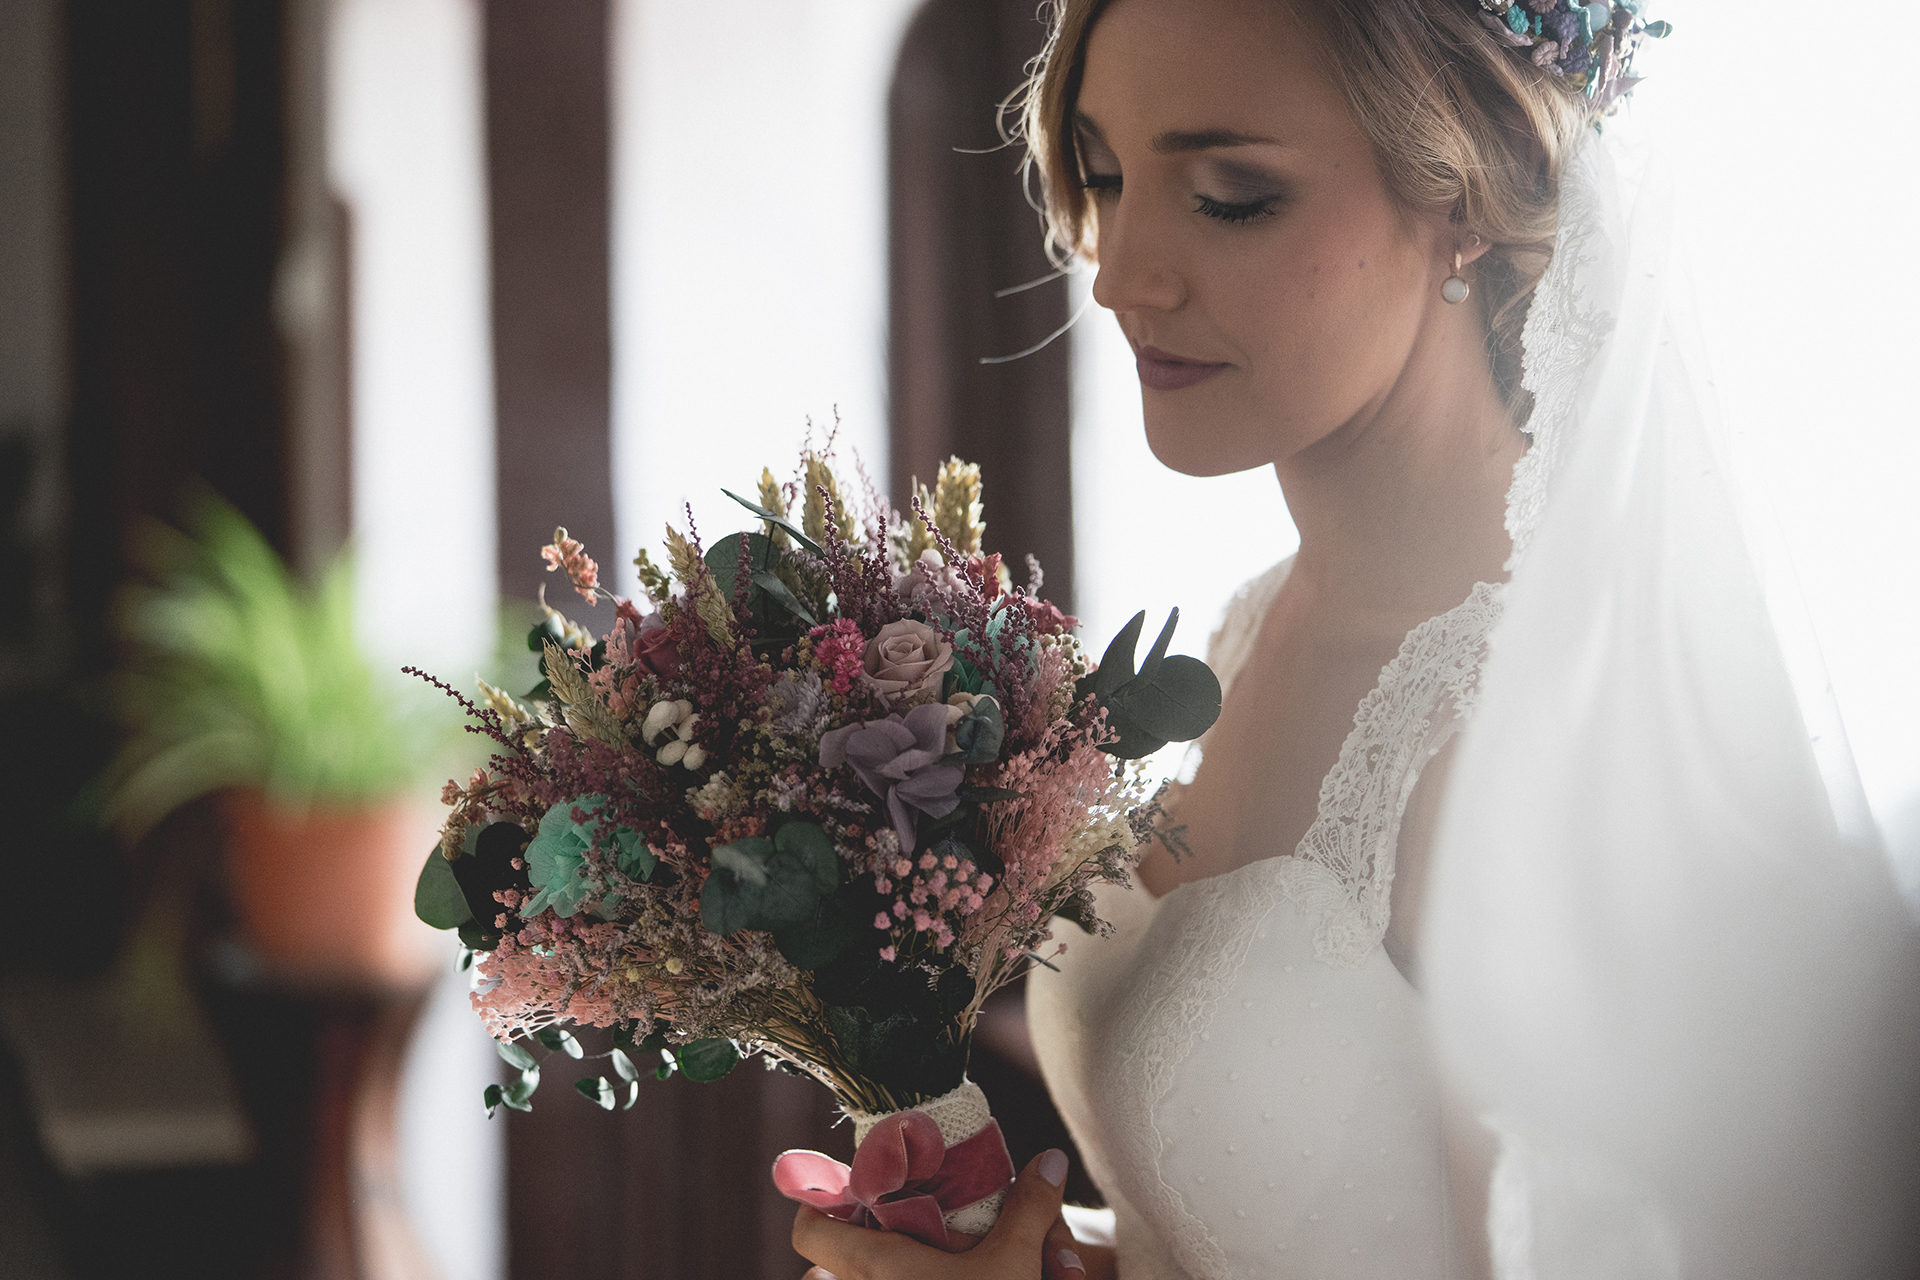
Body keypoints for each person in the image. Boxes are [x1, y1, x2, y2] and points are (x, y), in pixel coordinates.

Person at [793, 1, 1920, 1277]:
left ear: (1468, 194)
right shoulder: (1248, 622)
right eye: (1105, 176)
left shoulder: (1548, 726)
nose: (1118, 274)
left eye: (1230, 196)